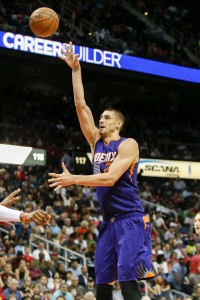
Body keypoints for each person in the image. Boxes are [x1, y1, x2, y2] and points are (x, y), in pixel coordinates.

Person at [48, 41, 156, 300]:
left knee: (128, 281)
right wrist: (75, 70)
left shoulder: (128, 144)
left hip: (130, 220)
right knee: (102, 282)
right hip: (108, 224)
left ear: (118, 123)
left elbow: (108, 179)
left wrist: (74, 178)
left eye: (107, 117)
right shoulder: (95, 141)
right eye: (102, 117)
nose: (101, 119)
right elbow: (81, 106)